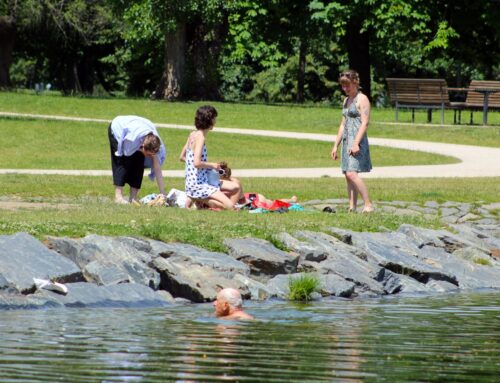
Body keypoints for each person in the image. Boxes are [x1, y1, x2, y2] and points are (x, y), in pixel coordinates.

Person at [331, 69, 374, 213]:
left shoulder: (362, 99)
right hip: (346, 141)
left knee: (352, 173)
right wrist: (335, 145)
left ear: (355, 83)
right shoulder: (346, 100)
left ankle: (368, 204)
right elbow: (343, 124)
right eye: (343, 86)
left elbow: (365, 122)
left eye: (347, 85)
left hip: (357, 140)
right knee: (347, 175)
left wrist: (356, 143)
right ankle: (352, 207)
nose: (345, 89)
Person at [179, 105, 235, 210]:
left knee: (227, 203)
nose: (216, 121)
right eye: (214, 118)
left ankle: (195, 199)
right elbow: (197, 163)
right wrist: (212, 165)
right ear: (209, 120)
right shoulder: (200, 138)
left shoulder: (193, 134)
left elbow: (182, 157)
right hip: (199, 185)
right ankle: (199, 200)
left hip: (190, 184)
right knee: (230, 206)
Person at [109, 115, 167, 204]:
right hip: (118, 128)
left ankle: (133, 197)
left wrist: (162, 192)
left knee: (139, 162)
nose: (149, 156)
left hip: (138, 133)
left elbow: (157, 168)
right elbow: (126, 153)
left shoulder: (156, 145)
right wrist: (139, 149)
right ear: (143, 146)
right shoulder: (132, 139)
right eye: (148, 154)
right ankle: (118, 197)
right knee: (122, 161)